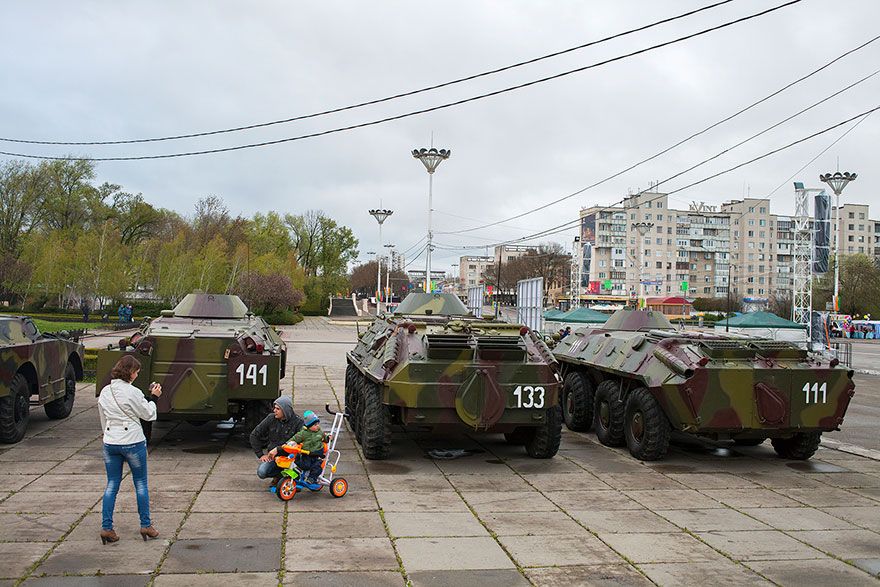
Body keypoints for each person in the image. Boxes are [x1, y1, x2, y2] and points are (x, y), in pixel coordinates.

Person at [97, 355, 161, 544]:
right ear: (131, 373)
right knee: (140, 484)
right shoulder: (133, 392)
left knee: (111, 485)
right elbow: (149, 414)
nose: (137, 374)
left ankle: (107, 528)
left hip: (110, 441)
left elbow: (103, 418)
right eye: (137, 371)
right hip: (133, 442)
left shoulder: (105, 391)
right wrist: (154, 397)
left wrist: (107, 436)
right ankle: (146, 525)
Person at [250, 396, 303, 481]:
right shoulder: (271, 418)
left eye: (277, 409)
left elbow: (300, 443)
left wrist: (278, 449)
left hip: (292, 459)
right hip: (275, 458)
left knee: (299, 474)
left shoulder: (298, 422)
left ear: (285, 410)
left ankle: (292, 478)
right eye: (274, 408)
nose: (274, 410)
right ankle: (279, 476)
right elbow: (254, 435)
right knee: (262, 472)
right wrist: (260, 454)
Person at [269, 410, 326, 484]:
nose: (317, 426)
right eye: (315, 425)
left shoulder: (320, 432)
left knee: (317, 466)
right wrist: (287, 443)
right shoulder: (303, 433)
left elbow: (325, 437)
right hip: (307, 453)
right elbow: (295, 438)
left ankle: (312, 478)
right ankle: (298, 473)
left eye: (318, 423)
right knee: (300, 462)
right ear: (309, 426)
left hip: (317, 453)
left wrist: (328, 438)